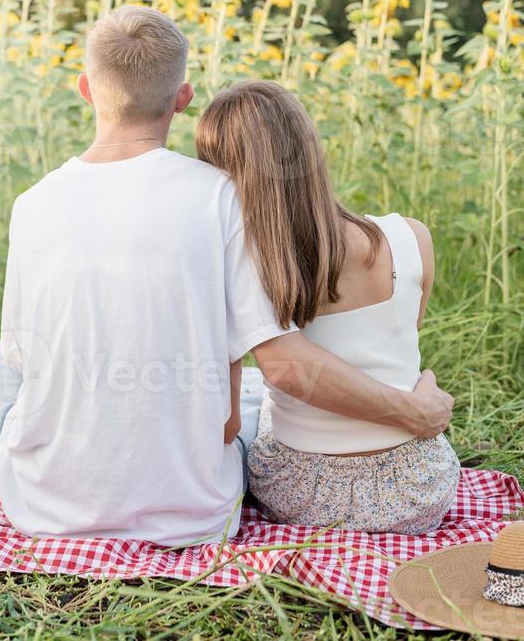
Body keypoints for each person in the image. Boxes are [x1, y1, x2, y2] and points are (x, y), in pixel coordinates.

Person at [0, 7, 453, 546]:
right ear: (182, 97)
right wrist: (412, 408)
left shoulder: (31, 205)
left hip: (46, 508)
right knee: (242, 395)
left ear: (86, 89)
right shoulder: (219, 196)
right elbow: (259, 386)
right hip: (194, 516)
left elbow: (24, 355)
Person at [195, 79, 460, 535]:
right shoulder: (412, 236)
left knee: (256, 405)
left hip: (306, 494)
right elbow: (399, 348)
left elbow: (231, 419)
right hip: (418, 490)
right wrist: (413, 409)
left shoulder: (247, 267)